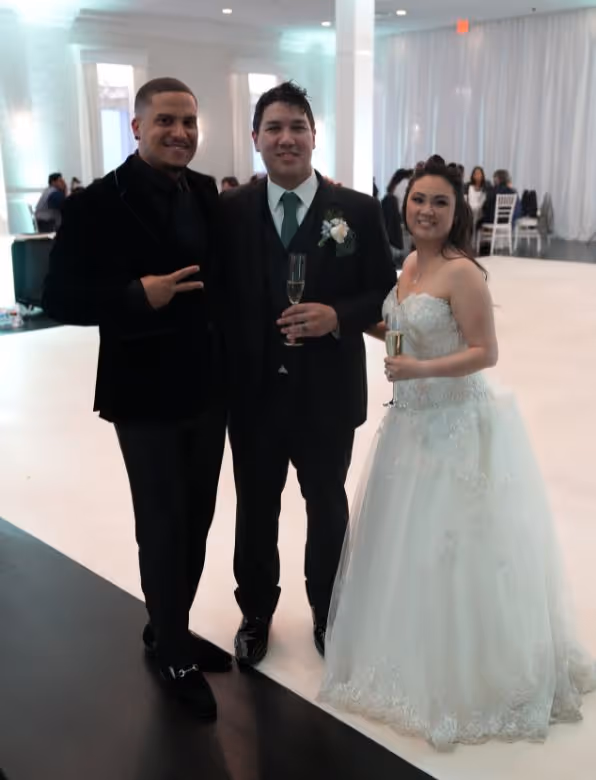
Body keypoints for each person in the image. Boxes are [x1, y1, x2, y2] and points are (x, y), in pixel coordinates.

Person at [319, 156, 596, 750]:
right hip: (409, 426)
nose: (426, 210)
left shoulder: (462, 271)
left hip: (453, 426)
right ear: (405, 205)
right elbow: (401, 329)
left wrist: (418, 369)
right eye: (419, 199)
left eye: (440, 202)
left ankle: (466, 674)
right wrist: (348, 322)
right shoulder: (409, 265)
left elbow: (484, 352)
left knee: (452, 549)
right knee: (405, 549)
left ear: (456, 212)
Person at [42, 77, 230, 719]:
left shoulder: (204, 191)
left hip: (207, 383)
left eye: (189, 122)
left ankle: (167, 625)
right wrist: (133, 295)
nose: (180, 133)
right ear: (137, 126)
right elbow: (56, 296)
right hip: (144, 390)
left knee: (199, 515)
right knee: (162, 519)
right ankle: (174, 650)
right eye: (166, 121)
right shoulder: (97, 202)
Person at [219, 81, 395, 667]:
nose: (286, 138)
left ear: (315, 136)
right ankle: (256, 611)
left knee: (326, 505)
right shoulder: (230, 211)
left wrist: (337, 316)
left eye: (297, 126)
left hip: (327, 395)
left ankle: (328, 609)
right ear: (256, 138)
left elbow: (384, 293)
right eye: (274, 127)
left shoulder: (357, 211)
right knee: (255, 508)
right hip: (253, 394)